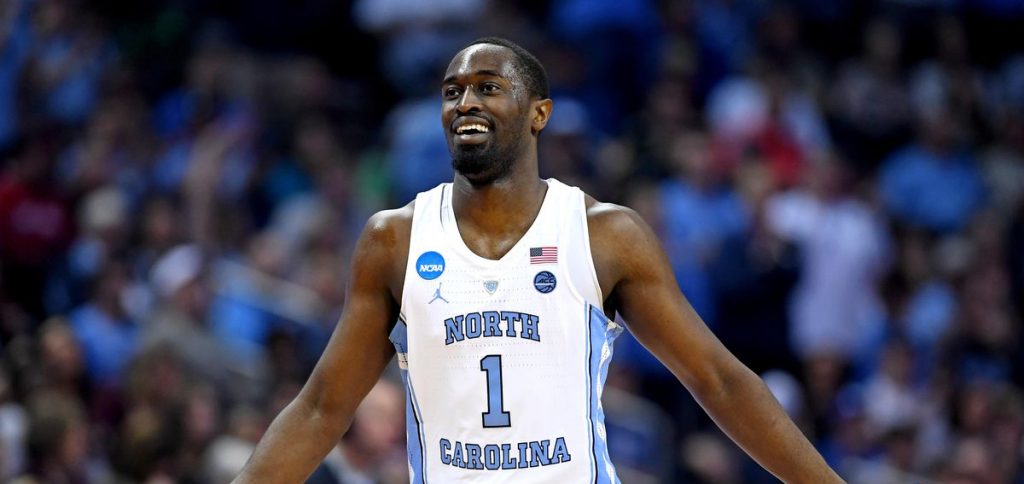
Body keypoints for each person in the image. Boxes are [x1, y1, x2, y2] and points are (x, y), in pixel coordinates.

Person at [234, 37, 842, 483]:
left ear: (538, 114)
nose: (465, 102)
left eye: (488, 88)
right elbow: (321, 408)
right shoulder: (394, 240)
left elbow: (718, 379)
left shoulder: (604, 235)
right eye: (453, 92)